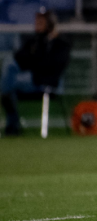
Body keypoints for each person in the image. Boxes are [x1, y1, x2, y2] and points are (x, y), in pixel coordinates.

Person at [2, 8, 72, 136]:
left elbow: (52, 66)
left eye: (41, 22)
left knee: (11, 84)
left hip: (47, 82)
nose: (37, 25)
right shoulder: (35, 41)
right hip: (32, 79)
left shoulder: (61, 44)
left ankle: (12, 126)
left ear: (49, 24)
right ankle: (12, 127)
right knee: (9, 66)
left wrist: (36, 59)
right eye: (36, 22)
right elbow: (20, 58)